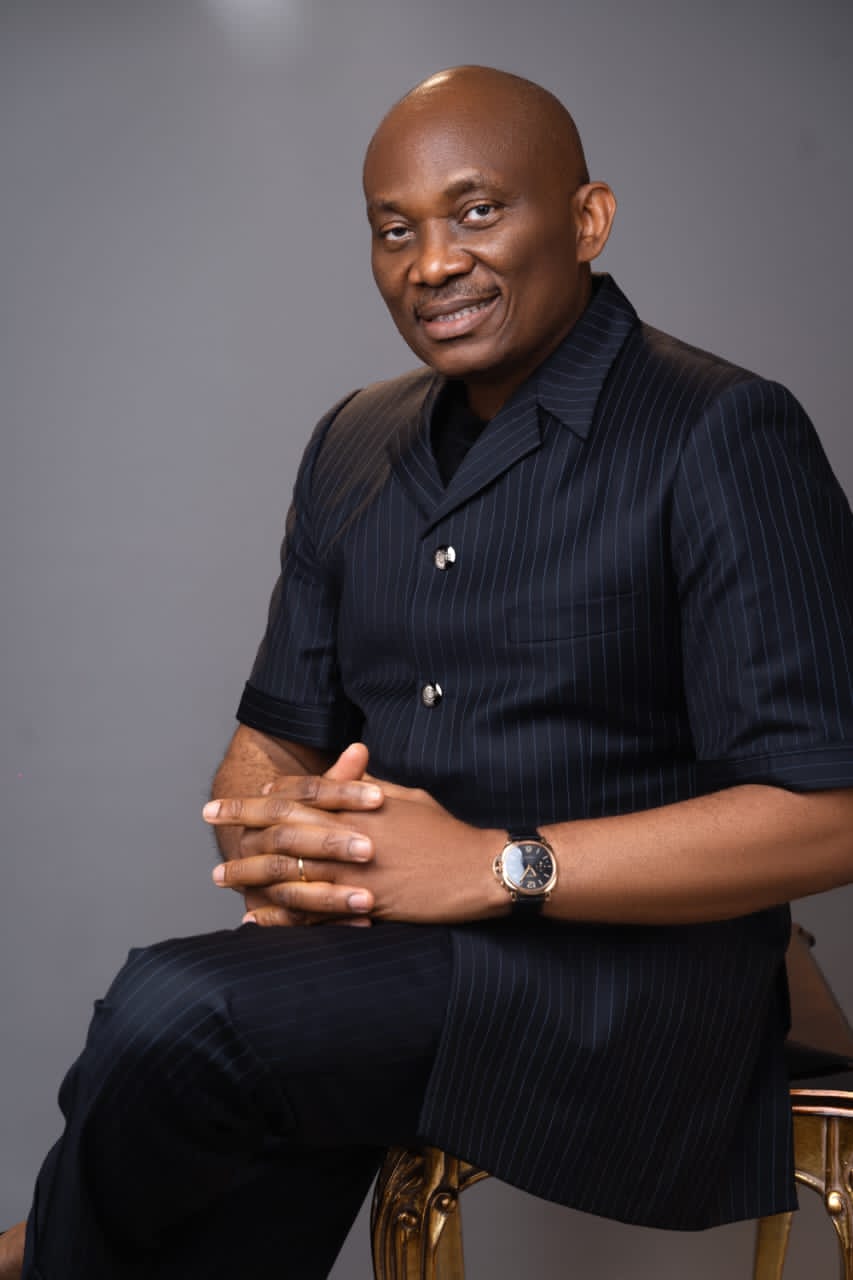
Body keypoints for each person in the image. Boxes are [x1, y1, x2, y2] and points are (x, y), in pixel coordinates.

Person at [5, 64, 853, 1280]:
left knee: (175, 1008)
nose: (433, 262)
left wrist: (492, 864)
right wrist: (282, 836)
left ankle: (42, 1252)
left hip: (634, 987)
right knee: (206, 1074)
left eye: (476, 211)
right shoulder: (352, 441)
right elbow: (274, 735)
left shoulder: (721, 427)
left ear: (587, 219)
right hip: (395, 953)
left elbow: (828, 811)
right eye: (393, 230)